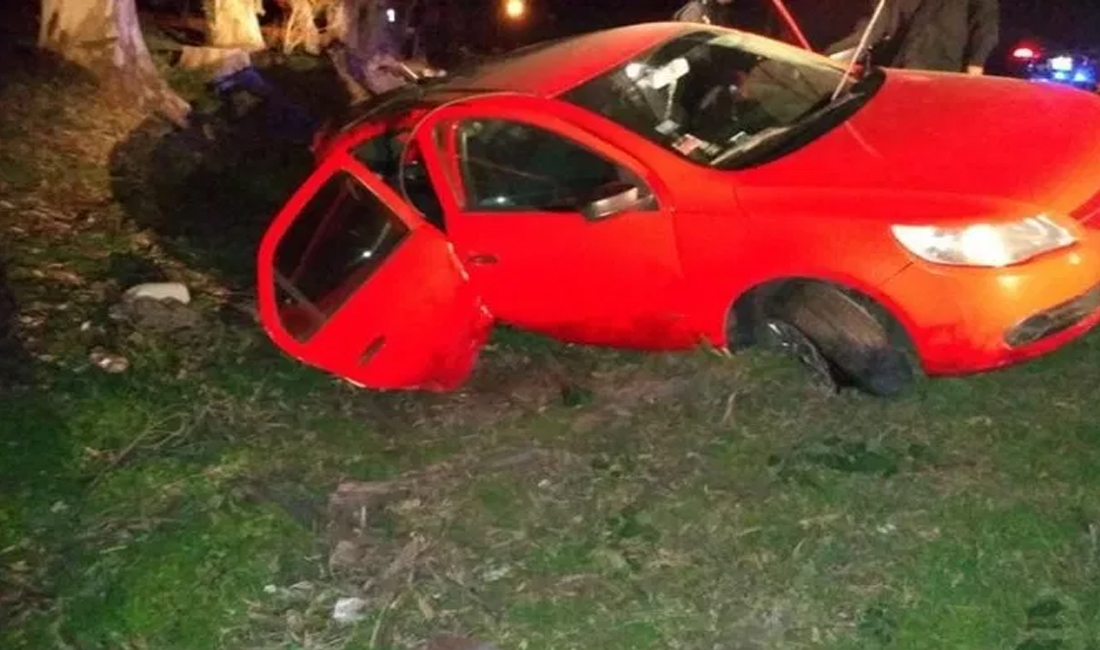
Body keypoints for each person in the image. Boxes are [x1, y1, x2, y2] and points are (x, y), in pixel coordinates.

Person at [826, 0, 1000, 75]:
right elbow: (874, 24)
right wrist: (838, 55)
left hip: (942, 69)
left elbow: (986, 23)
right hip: (895, 68)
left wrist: (976, 62)